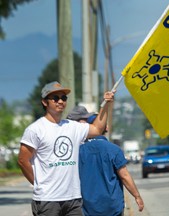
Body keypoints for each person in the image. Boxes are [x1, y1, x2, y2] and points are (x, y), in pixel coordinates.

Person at [17, 81, 115, 216]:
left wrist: (106, 105)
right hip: (47, 200)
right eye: (55, 98)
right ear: (45, 102)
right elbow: (23, 160)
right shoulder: (35, 129)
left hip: (73, 199)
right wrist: (38, 184)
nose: (60, 101)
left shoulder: (73, 126)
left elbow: (98, 129)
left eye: (64, 98)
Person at [67, 105, 144, 216]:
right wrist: (137, 196)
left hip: (88, 208)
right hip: (113, 207)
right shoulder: (114, 149)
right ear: (105, 128)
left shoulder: (77, 151)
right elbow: (125, 176)